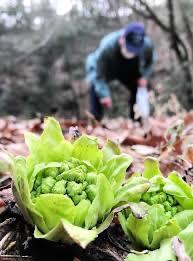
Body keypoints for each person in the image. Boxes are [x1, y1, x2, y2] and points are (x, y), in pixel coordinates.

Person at [85, 21, 156, 121]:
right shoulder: (107, 47)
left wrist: (144, 76)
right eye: (130, 48)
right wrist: (104, 94)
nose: (132, 52)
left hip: (129, 68)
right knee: (95, 86)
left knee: (137, 85)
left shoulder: (146, 45)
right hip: (107, 69)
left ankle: (137, 120)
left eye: (135, 50)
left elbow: (150, 61)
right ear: (122, 40)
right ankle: (95, 120)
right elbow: (98, 74)